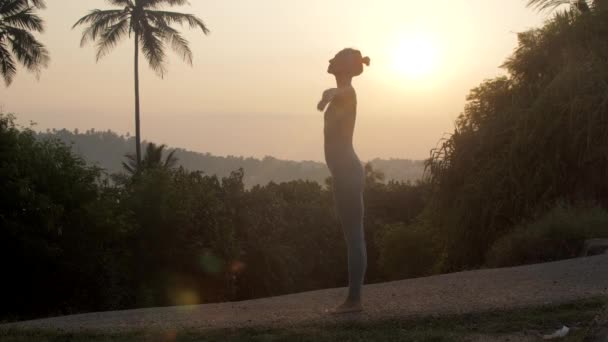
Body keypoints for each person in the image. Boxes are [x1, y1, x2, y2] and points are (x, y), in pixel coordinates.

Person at [317, 48, 370, 314]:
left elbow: (342, 93)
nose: (329, 60)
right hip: (343, 173)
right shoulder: (344, 92)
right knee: (352, 236)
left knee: (354, 237)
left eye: (335, 58)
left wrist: (329, 95)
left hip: (348, 171)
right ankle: (354, 299)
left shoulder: (348, 92)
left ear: (347, 68)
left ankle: (354, 301)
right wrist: (329, 95)